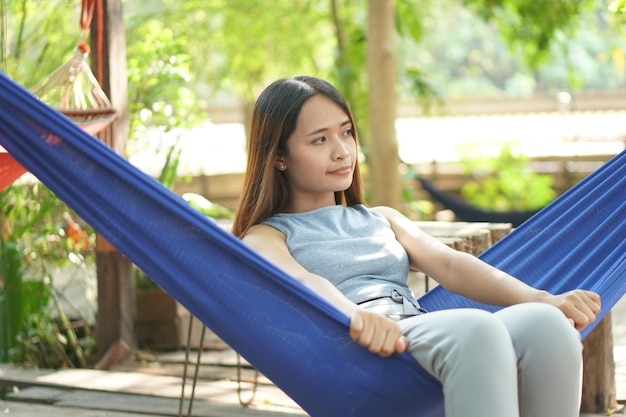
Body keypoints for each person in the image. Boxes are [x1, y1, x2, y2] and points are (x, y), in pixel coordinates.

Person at [231, 75, 601, 417]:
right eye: (320, 139)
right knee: (477, 328)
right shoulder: (267, 235)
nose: (343, 151)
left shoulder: (381, 218)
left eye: (346, 133)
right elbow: (304, 282)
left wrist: (541, 297)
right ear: (278, 156)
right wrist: (354, 316)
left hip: (415, 334)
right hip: (356, 350)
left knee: (548, 324)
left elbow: (452, 266)